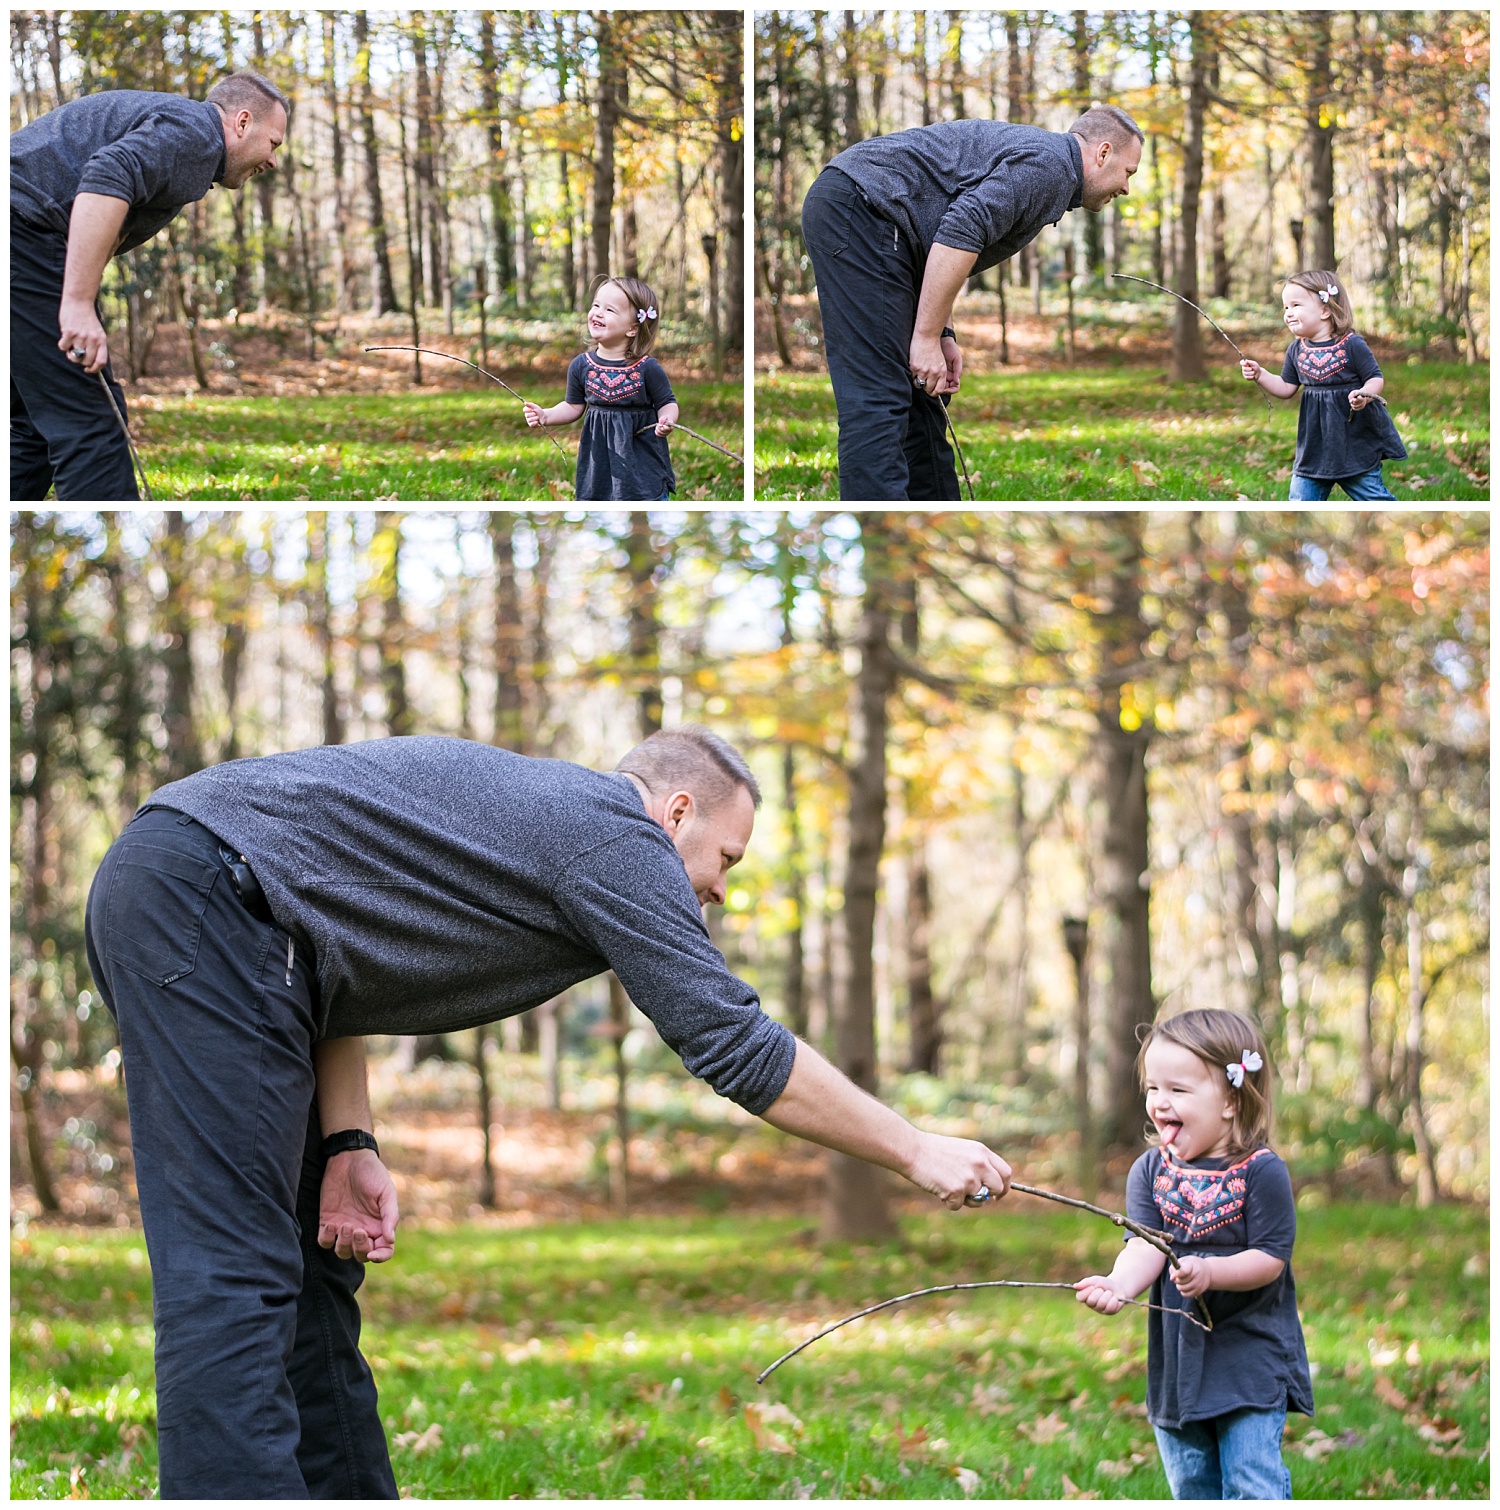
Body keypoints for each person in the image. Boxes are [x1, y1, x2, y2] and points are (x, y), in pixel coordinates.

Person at [84, 726, 1012, 1498]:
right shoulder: (617, 836)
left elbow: (326, 941)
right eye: (726, 856)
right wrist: (914, 1148)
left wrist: (350, 1138)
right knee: (233, 1276)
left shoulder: (561, 820)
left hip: (233, 910)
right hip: (204, 900)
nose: (723, 886)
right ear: (676, 811)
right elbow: (733, 1044)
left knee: (305, 1274)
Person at [799, 103, 1142, 501]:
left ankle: (931, 524)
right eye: (1128, 172)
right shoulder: (1050, 167)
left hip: (888, 226)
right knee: (879, 395)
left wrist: (941, 333)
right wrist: (924, 335)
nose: (1126, 187)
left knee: (924, 392)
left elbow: (942, 239)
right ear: (1102, 153)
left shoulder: (1050, 168)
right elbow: (961, 229)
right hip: (863, 208)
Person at [10, 72, 289, 501]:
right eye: (273, 144)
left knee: (33, 423)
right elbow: (105, 177)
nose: (272, 161)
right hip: (20, 229)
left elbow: (112, 223)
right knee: (91, 424)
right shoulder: (197, 134)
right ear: (242, 122)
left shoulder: (184, 139)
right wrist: (79, 305)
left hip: (23, 235)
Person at [1074, 1009, 1314, 1500]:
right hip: (1179, 1360)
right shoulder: (1149, 1172)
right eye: (1152, 1089)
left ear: (1230, 1100)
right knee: (1193, 1485)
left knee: (1251, 1479)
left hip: (1250, 1354)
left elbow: (1271, 1258)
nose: (1160, 1103)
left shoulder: (1261, 1173)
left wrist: (1211, 1271)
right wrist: (1119, 1284)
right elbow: (1145, 1244)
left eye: (1177, 1091)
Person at [1239, 270, 1408, 501]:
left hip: (1353, 444)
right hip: (1314, 448)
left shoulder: (1352, 344)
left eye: (1296, 305)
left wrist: (1365, 395)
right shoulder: (1296, 350)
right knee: (1300, 500)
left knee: (1373, 497)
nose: (1288, 313)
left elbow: (1375, 377)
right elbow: (1287, 387)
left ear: (1325, 310)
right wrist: (1261, 374)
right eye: (1285, 307)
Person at [524, 275, 679, 500]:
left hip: (641, 461)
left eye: (609, 310)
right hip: (599, 460)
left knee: (643, 497)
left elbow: (667, 402)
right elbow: (573, 406)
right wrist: (545, 415)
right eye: (596, 305)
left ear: (633, 329)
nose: (597, 312)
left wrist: (667, 419)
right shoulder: (582, 365)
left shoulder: (647, 368)